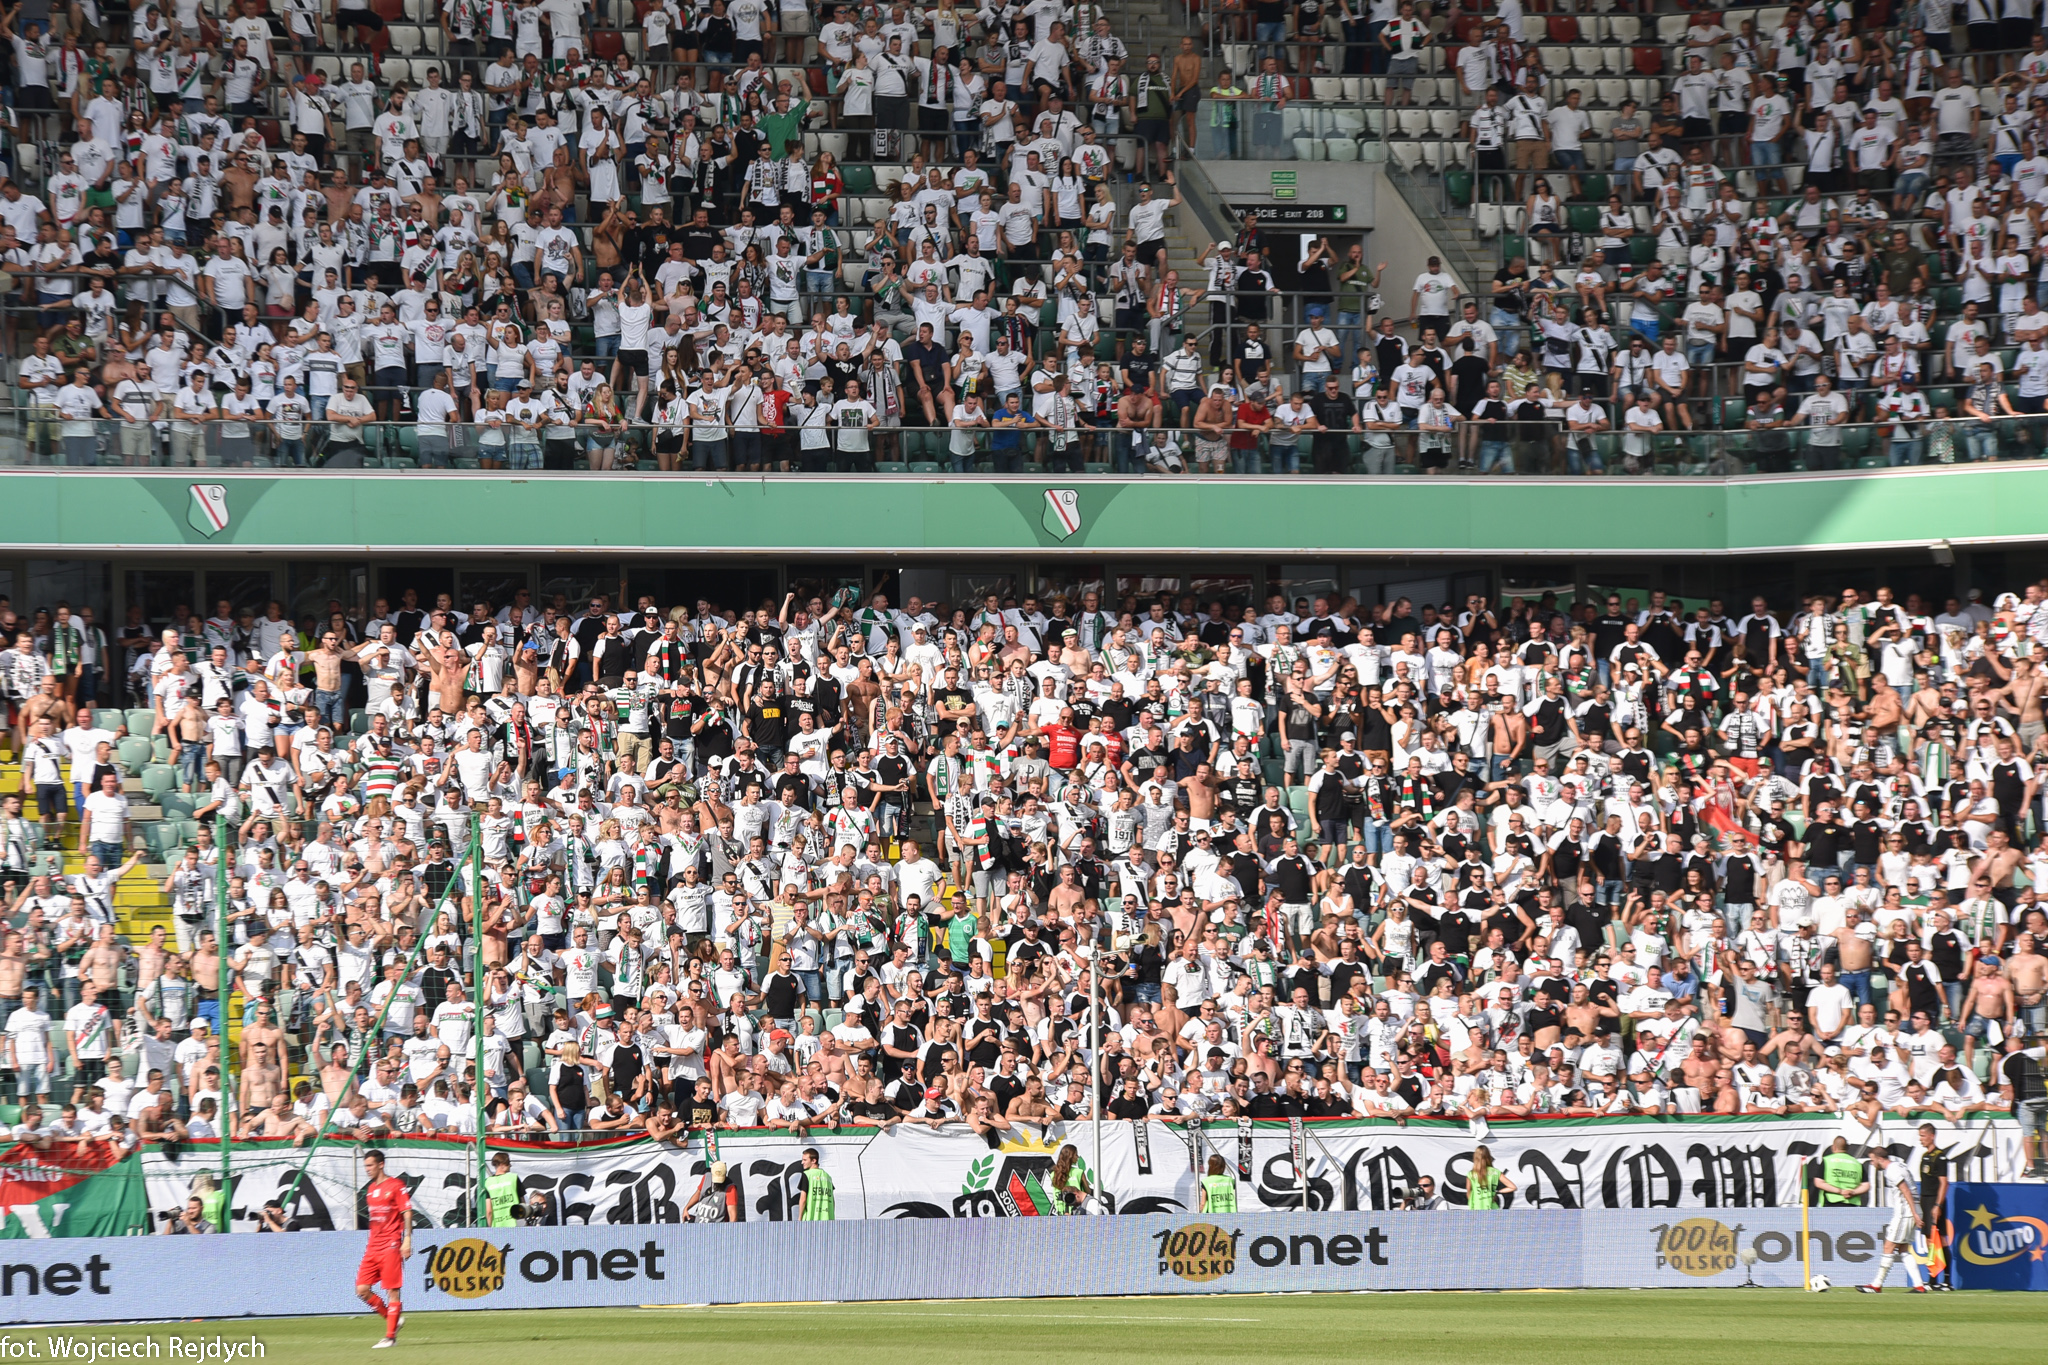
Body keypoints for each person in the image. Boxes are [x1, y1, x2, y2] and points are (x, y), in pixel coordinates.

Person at [356, 1148, 412, 1347]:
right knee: (362, 1289)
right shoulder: (371, 1189)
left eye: (370, 1165)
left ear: (381, 1165)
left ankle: (390, 1338)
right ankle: (392, 1318)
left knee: (392, 1292)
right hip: (373, 1246)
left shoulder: (396, 1186)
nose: (367, 1169)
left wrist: (407, 1240)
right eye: (365, 1166)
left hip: (391, 1245)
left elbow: (407, 1212)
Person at [1856, 1147, 1927, 1293]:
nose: (1872, 1163)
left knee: (1888, 1247)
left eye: (1872, 1160)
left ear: (1880, 1159)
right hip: (1911, 1210)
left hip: (1906, 1212)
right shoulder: (1900, 1165)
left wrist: (1914, 1213)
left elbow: (1905, 1190)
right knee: (1903, 1249)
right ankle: (1919, 1285)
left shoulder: (1891, 1170)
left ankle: (1876, 1285)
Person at [1465, 1142, 1515, 1209]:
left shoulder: (1471, 1174)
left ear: (1475, 1157)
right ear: (1488, 1157)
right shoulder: (1496, 1172)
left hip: (1476, 1208)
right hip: (1492, 1208)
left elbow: (1469, 1192)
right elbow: (1512, 1187)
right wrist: (1497, 1192)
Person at [798, 1146, 836, 1220]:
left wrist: (800, 1217)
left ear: (813, 1160)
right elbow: (832, 1201)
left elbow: (803, 1199)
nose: (802, 1162)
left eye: (805, 1160)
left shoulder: (807, 1175)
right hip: (828, 1219)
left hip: (811, 1219)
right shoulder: (828, 1177)